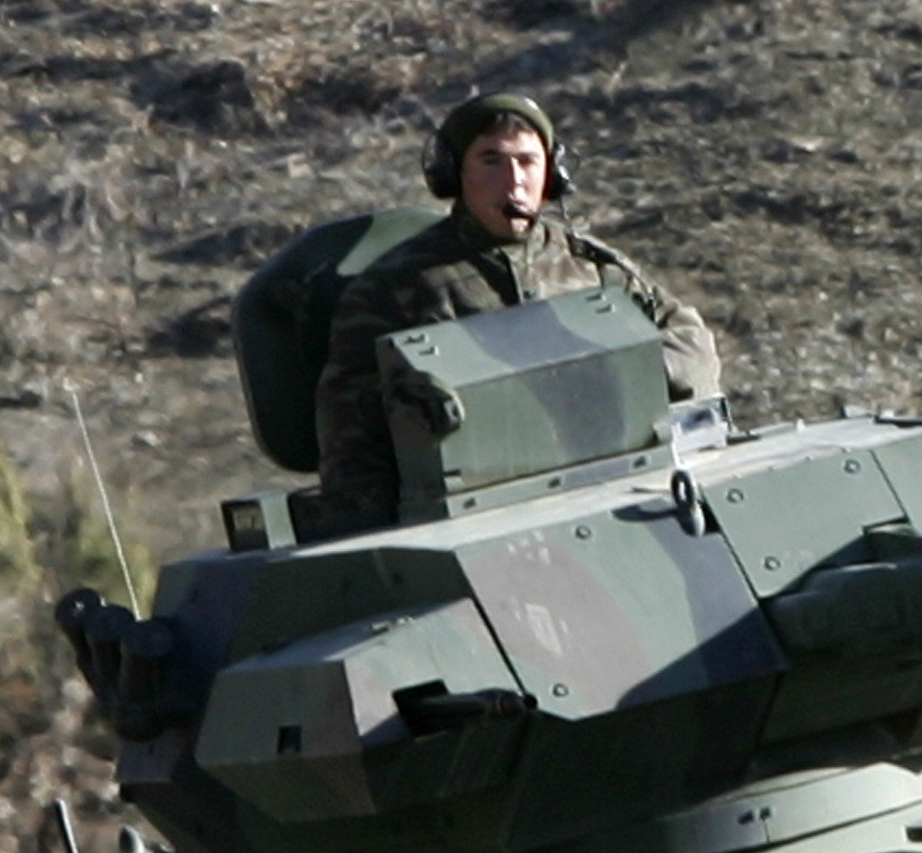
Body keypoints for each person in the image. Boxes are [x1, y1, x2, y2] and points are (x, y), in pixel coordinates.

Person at [304, 93, 720, 540]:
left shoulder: (594, 269)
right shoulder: (396, 290)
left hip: (610, 498)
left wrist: (621, 374)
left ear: (553, 174)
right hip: (475, 523)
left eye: (528, 161)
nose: (514, 180)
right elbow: (352, 438)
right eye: (491, 161)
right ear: (453, 173)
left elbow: (691, 346)